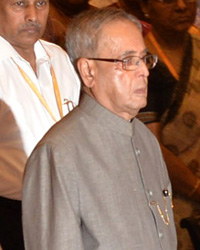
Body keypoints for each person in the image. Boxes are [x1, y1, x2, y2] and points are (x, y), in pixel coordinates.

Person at [22, 7, 177, 250]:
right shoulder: (58, 154)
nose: (144, 71)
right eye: (128, 61)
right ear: (88, 71)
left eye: (144, 59)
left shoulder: (145, 138)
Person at [0, 0, 80, 249]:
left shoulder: (58, 56)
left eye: (40, 3)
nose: (33, 15)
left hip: (73, 202)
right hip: (15, 213)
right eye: (20, 4)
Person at [137, 0, 200, 249]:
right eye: (167, 0)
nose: (182, 6)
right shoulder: (139, 65)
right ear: (145, 7)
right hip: (169, 204)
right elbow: (150, 147)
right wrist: (196, 190)